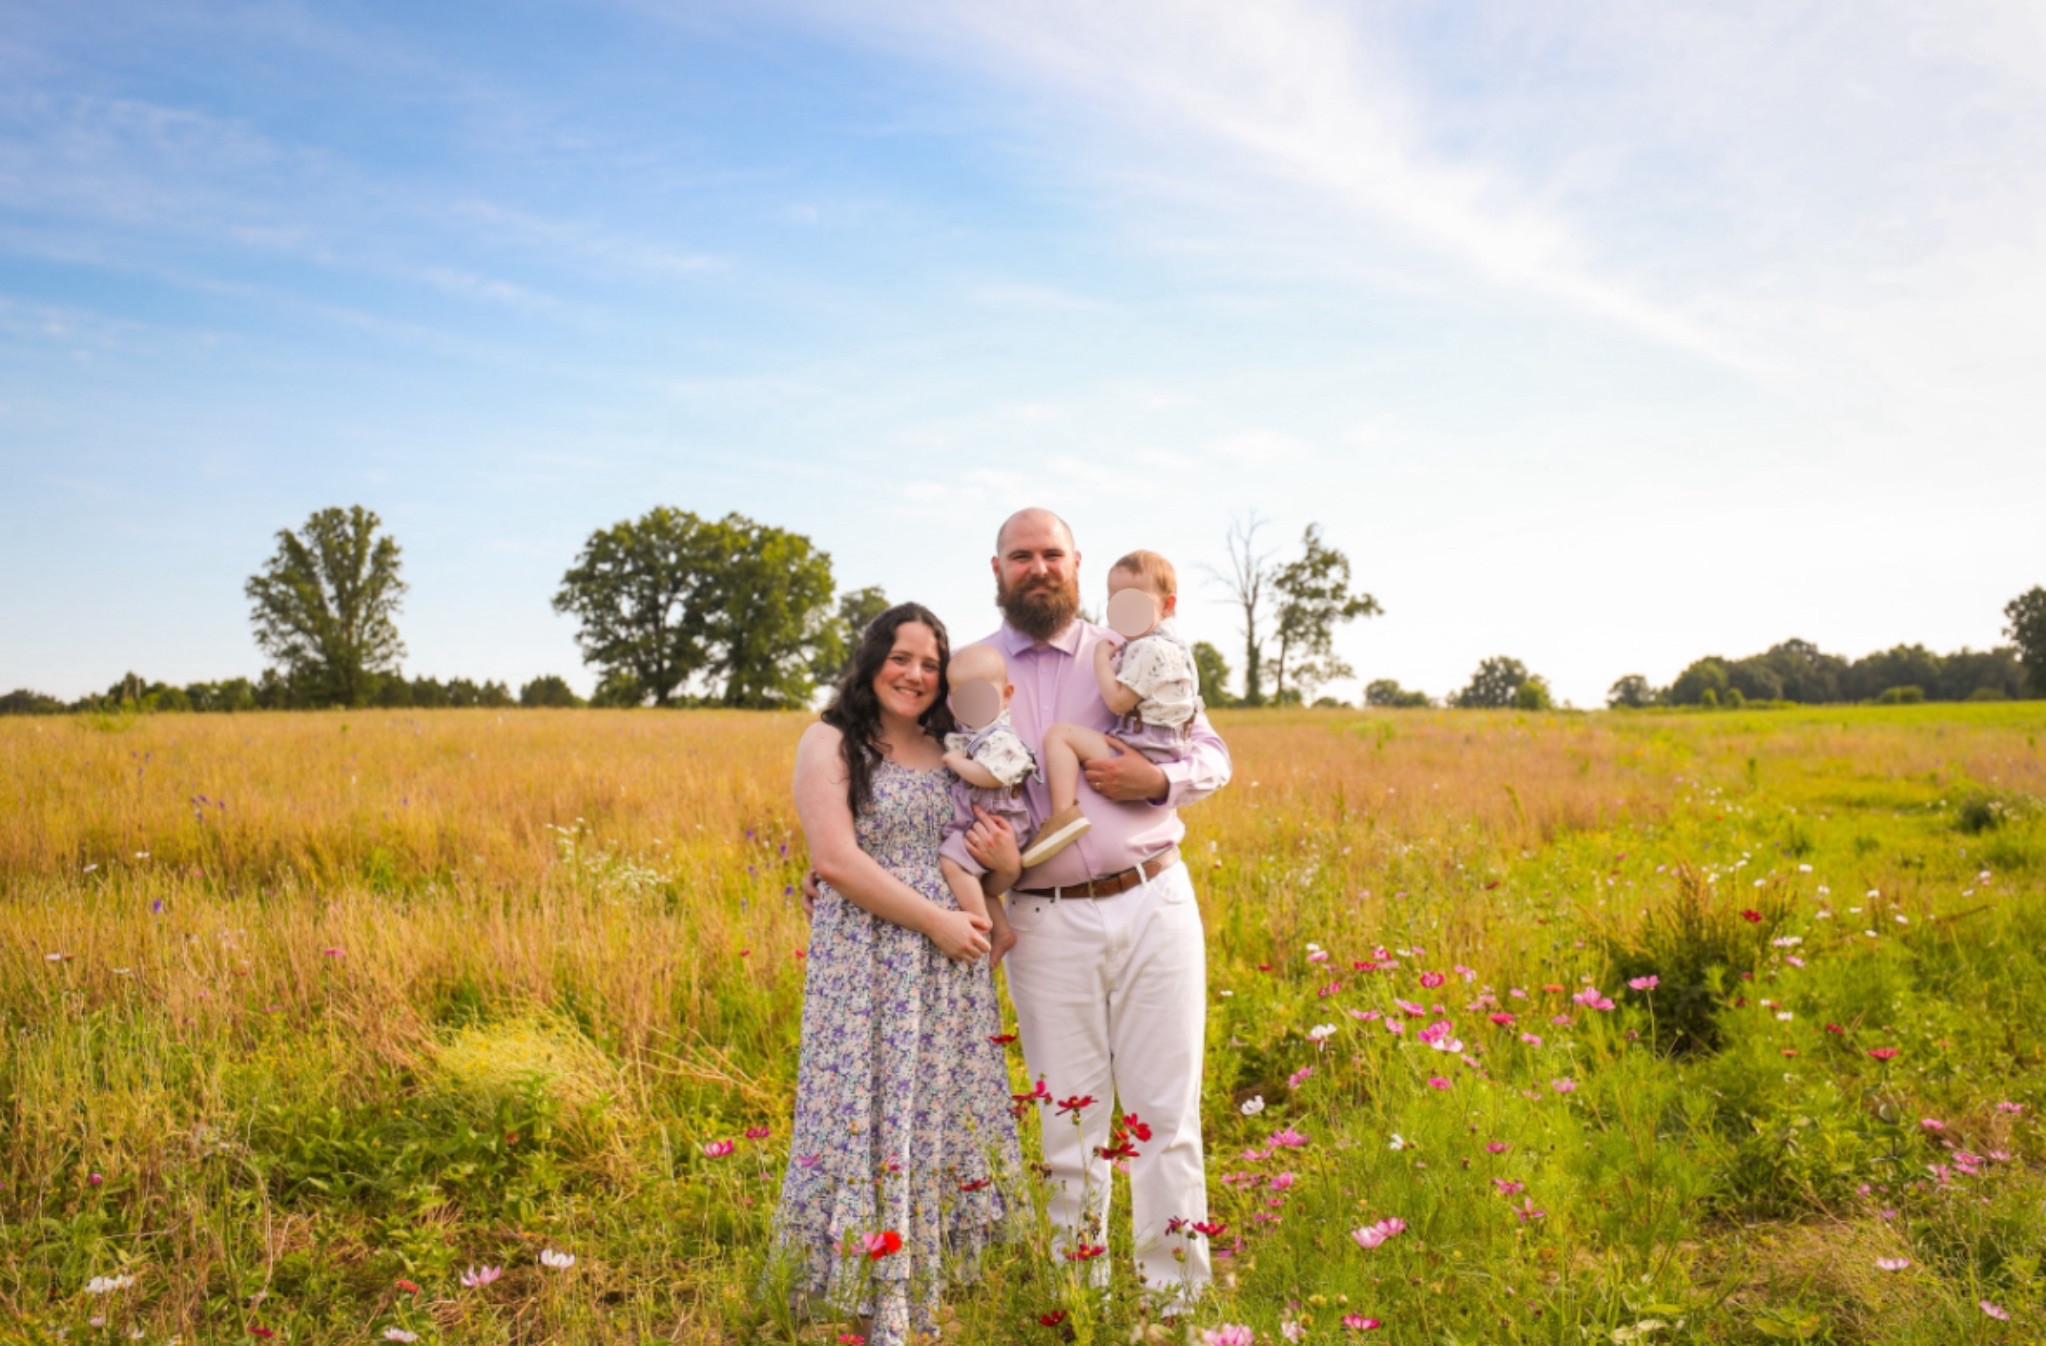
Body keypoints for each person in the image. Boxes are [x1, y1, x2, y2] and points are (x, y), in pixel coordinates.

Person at [939, 509, 1232, 1312]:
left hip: (1153, 900)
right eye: (1021, 555)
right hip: (1040, 917)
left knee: (1166, 1116)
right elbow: (932, 786)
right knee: (1069, 1128)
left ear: (1077, 565)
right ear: (996, 569)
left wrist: (1159, 783)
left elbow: (1213, 754)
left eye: (1053, 555)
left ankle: (1173, 1308)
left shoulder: (1128, 650)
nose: (1039, 567)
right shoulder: (966, 669)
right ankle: (1083, 1305)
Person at [773, 603, 1023, 1346]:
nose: (915, 674)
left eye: (930, 663)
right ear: (872, 659)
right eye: (901, 657)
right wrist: (935, 920)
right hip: (870, 961)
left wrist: (1004, 868)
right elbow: (836, 861)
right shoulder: (832, 739)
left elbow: (986, 845)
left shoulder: (956, 742)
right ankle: (854, 1291)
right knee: (865, 1105)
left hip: (949, 965)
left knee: (938, 1114)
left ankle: (934, 1291)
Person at [1024, 548, 1201, 867]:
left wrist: (1100, 660)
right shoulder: (1177, 650)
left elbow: (1118, 701)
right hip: (1164, 745)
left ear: (1168, 605)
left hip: (1147, 750)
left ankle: (1063, 815)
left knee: (1060, 736)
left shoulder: (1148, 649)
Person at [937, 642, 1037, 932]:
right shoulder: (973, 733)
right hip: (983, 824)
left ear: (1006, 696)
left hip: (999, 824)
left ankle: (980, 925)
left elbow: (990, 776)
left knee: (952, 864)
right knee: (976, 879)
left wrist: (956, 762)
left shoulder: (1001, 737)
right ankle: (1001, 931)